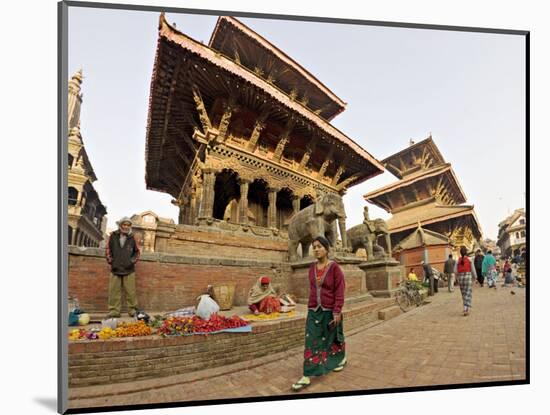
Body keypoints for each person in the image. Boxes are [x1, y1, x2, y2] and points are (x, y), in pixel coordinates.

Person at [292, 236, 346, 391]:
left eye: (319, 246)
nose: (316, 249)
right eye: (314, 247)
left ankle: (341, 358)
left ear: (326, 249)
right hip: (314, 310)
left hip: (330, 310)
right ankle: (307, 375)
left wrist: (337, 310)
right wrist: (311, 305)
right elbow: (313, 290)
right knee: (312, 340)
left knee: (333, 337)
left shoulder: (334, 267)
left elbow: (340, 290)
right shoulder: (311, 268)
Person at [105, 217, 141, 318]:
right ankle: (114, 311)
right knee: (114, 291)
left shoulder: (133, 237)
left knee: (131, 291)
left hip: (129, 269)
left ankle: (132, 310)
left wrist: (132, 262)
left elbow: (137, 252)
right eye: (124, 225)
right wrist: (111, 261)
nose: (126, 227)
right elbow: (108, 249)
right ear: (120, 225)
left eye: (128, 225)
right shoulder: (113, 235)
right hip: (115, 268)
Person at [457, 246, 474, 316]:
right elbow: (473, 270)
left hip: (461, 278)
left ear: (460, 253)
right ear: (466, 252)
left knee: (463, 294)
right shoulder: (469, 260)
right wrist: (475, 278)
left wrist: (457, 278)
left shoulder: (458, 260)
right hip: (468, 278)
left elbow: (455, 271)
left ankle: (465, 308)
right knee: (468, 293)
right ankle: (465, 309)